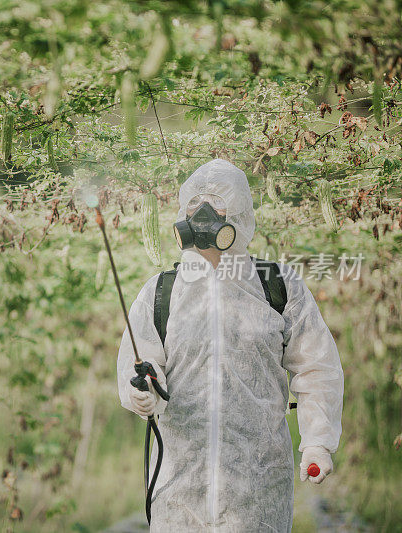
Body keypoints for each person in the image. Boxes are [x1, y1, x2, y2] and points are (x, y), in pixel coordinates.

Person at [117, 159, 344, 532]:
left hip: (257, 488)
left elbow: (316, 366)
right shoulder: (162, 291)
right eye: (194, 202)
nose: (202, 212)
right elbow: (140, 362)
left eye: (215, 202)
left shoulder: (276, 285)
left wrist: (317, 441)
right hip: (179, 487)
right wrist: (144, 392)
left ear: (238, 214)